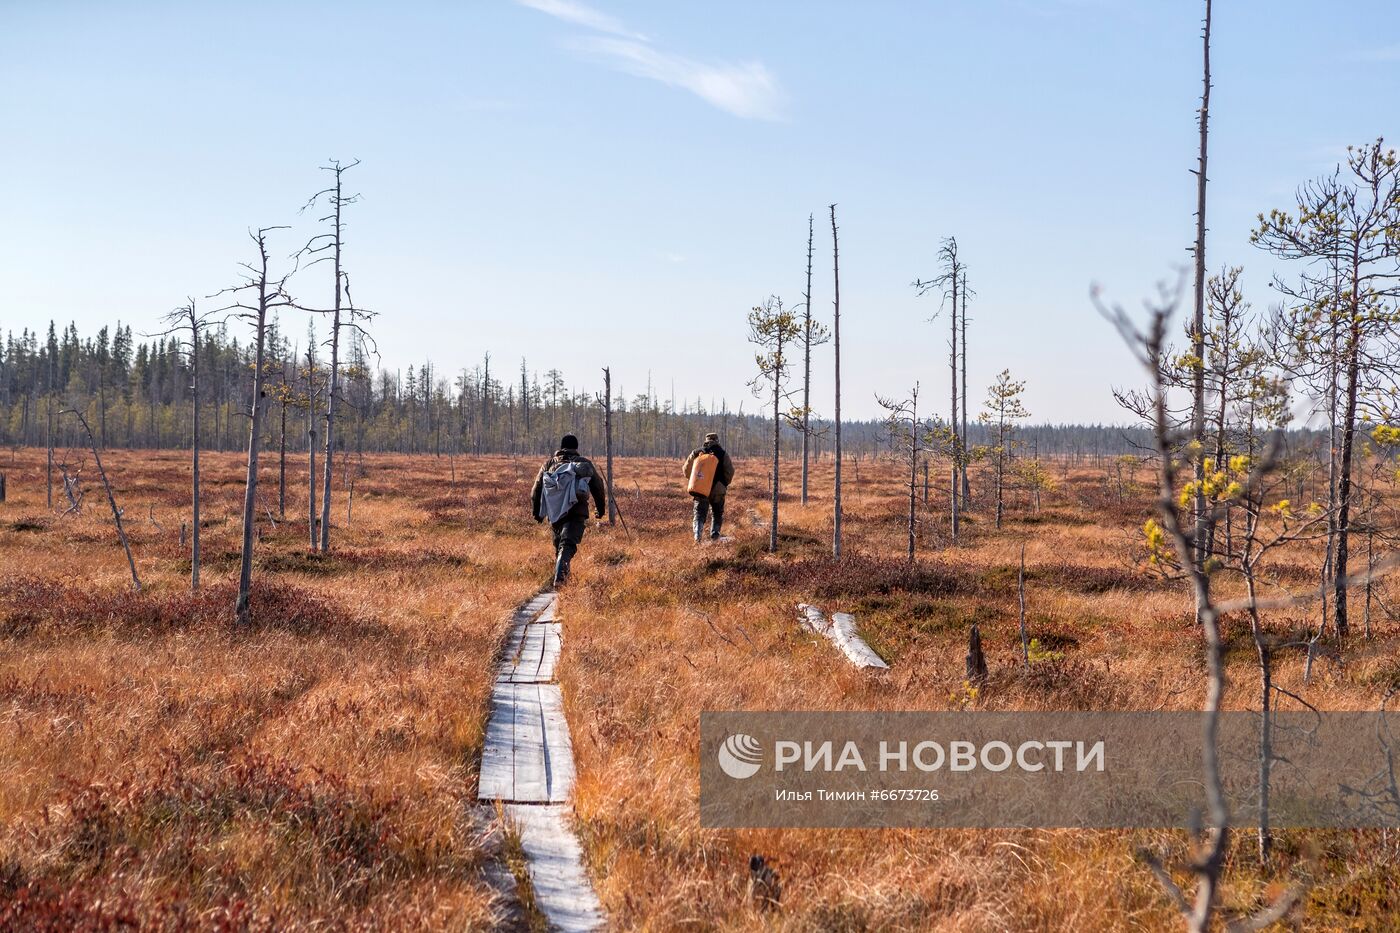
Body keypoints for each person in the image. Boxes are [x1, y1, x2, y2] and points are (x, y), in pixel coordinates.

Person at [531, 434, 606, 586]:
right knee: (567, 545)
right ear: (576, 447)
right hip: (577, 511)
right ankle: (560, 579)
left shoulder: (549, 464)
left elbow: (536, 489)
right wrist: (600, 509)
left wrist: (537, 512)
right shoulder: (584, 463)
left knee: (560, 546)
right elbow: (598, 487)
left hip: (555, 513)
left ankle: (562, 580)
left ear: (561, 446)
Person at [683, 432, 735, 543]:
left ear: (706, 440)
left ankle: (697, 536)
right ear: (717, 441)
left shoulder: (696, 453)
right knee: (717, 513)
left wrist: (694, 480)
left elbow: (686, 469)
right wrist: (724, 484)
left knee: (699, 513)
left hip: (700, 487)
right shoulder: (722, 454)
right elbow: (730, 472)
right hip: (718, 489)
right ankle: (715, 536)